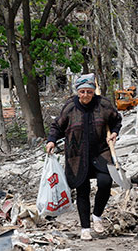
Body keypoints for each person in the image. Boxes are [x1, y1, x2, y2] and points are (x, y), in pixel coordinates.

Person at [45, 73, 122, 241]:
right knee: (82, 190)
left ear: (93, 91)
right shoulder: (70, 107)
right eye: (82, 92)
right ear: (77, 92)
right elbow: (57, 126)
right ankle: (85, 228)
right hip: (77, 155)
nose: (86, 95)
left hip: (101, 152)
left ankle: (97, 216)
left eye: (89, 91)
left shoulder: (103, 105)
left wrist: (115, 132)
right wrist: (51, 140)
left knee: (105, 182)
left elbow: (117, 120)